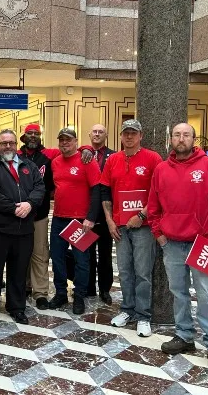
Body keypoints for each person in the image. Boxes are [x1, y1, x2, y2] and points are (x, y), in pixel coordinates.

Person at [147, 123, 208, 374]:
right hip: (172, 243)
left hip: (203, 242)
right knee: (178, 292)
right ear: (170, 139)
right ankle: (184, 336)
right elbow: (153, 205)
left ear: (194, 139)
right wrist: (159, 234)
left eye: (186, 135)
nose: (181, 139)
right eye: (177, 135)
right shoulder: (162, 169)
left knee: (207, 294)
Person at [100, 119, 163, 337]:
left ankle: (143, 315)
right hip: (119, 225)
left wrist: (142, 214)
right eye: (125, 133)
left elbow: (158, 192)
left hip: (143, 225)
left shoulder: (152, 158)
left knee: (143, 272)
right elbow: (105, 192)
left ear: (140, 136)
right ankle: (127, 309)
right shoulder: (112, 160)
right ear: (121, 136)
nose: (129, 137)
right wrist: (109, 220)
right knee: (125, 270)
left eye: (133, 133)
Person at [0, 129, 45, 326]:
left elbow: (39, 188)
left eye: (11, 143)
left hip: (23, 231)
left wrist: (29, 204)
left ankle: (16, 307)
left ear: (17, 145)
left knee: (18, 271)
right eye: (4, 143)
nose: (8, 146)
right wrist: (14, 208)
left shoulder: (29, 166)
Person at [48, 128, 101, 314]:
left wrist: (91, 218)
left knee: (82, 260)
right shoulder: (55, 162)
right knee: (57, 258)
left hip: (80, 221)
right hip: (59, 218)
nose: (64, 143)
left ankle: (79, 295)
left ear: (76, 141)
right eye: (61, 140)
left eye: (68, 140)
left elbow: (96, 190)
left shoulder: (87, 160)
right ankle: (61, 293)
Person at [17, 123, 59, 310]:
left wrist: (86, 149)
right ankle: (23, 286)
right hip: (17, 215)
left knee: (40, 254)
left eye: (36, 133)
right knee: (19, 253)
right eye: (29, 133)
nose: (33, 136)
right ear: (23, 136)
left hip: (39, 215)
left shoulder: (47, 157)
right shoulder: (15, 157)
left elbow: (72, 147)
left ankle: (40, 292)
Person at [87, 124, 115, 305]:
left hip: (106, 213)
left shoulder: (114, 156)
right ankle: (88, 287)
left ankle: (105, 289)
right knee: (86, 253)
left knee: (105, 254)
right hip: (87, 213)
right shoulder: (84, 154)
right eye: (94, 131)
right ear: (89, 135)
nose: (97, 134)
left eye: (101, 132)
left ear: (106, 135)